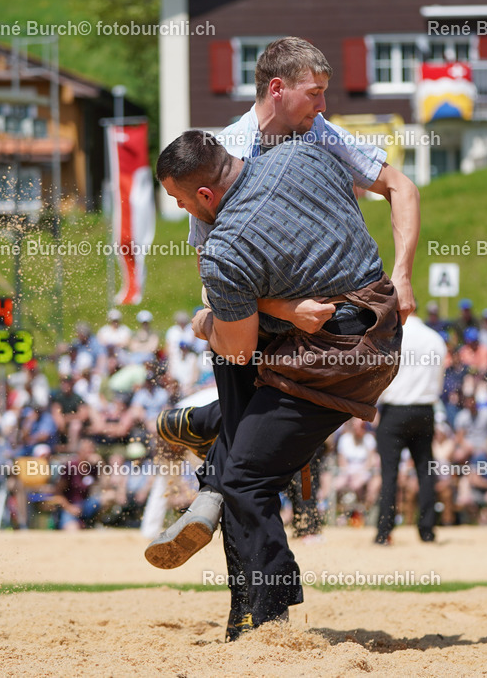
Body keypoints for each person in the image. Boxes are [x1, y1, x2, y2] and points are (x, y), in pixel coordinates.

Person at [151, 130, 403, 639]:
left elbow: (237, 349)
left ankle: (267, 616)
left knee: (244, 479)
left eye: (180, 201)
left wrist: (204, 324)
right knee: (247, 431)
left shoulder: (225, 250)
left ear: (205, 195)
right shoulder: (302, 154)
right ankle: (208, 423)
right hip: (384, 327)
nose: (182, 211)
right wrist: (283, 306)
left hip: (328, 366)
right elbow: (381, 195)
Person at [156, 35, 420, 479]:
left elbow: (400, 186)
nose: (322, 104)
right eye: (313, 93)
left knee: (270, 439)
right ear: (278, 89)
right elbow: (215, 276)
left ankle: (207, 437)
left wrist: (403, 275)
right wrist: (284, 309)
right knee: (246, 437)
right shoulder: (224, 156)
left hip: (326, 314)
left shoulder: (316, 130)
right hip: (254, 322)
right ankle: (212, 482)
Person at [374, 314, 447, 544]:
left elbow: (380, 374)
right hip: (425, 409)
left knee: (390, 473)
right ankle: (427, 530)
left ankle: (384, 531)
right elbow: (439, 381)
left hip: (394, 409)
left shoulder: (389, 335)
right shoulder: (435, 338)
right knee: (425, 470)